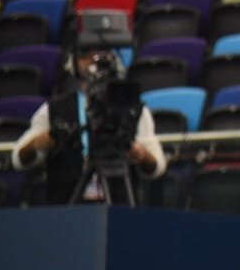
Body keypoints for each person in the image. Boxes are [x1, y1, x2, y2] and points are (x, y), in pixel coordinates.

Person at [12, 58, 166, 204]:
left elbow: (157, 166)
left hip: (119, 202)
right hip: (68, 204)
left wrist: (142, 155)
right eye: (86, 55)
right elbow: (18, 159)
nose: (94, 59)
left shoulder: (133, 108)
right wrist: (35, 144)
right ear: (74, 62)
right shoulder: (53, 109)